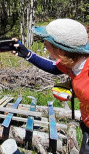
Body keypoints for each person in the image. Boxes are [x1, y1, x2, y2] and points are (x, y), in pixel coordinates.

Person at [11, 19, 88, 153]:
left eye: (47, 43)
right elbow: (53, 67)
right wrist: (27, 54)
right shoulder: (74, 60)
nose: (44, 45)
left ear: (60, 50)